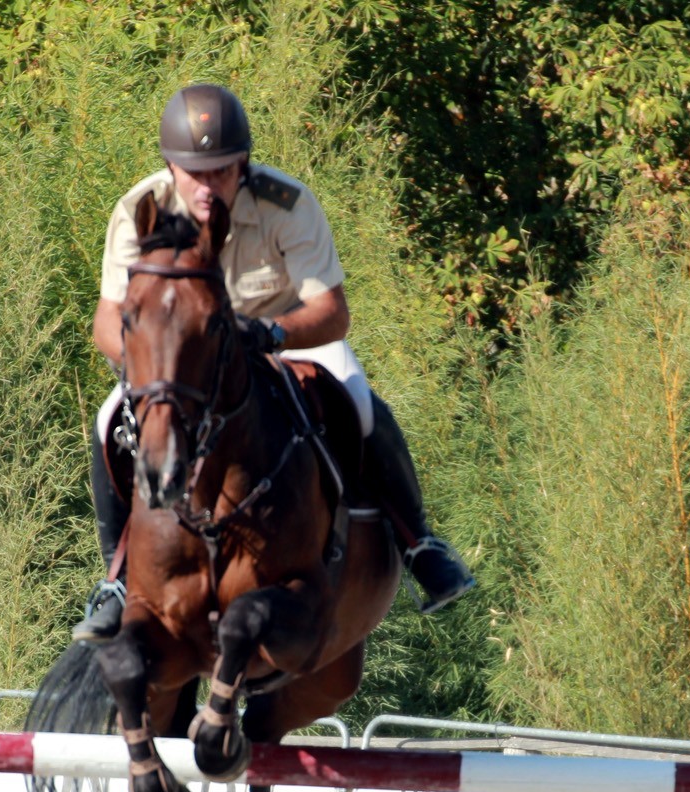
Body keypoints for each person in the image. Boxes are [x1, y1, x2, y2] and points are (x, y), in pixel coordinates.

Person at [75, 82, 474, 643]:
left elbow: (332, 313)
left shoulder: (287, 203)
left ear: (243, 162)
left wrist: (273, 332)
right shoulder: (139, 212)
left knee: (358, 400)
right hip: (184, 362)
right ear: (171, 166)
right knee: (107, 419)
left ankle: (420, 544)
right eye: (196, 172)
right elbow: (107, 319)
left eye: (221, 170)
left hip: (282, 339)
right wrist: (149, 369)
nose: (209, 185)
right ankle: (116, 581)